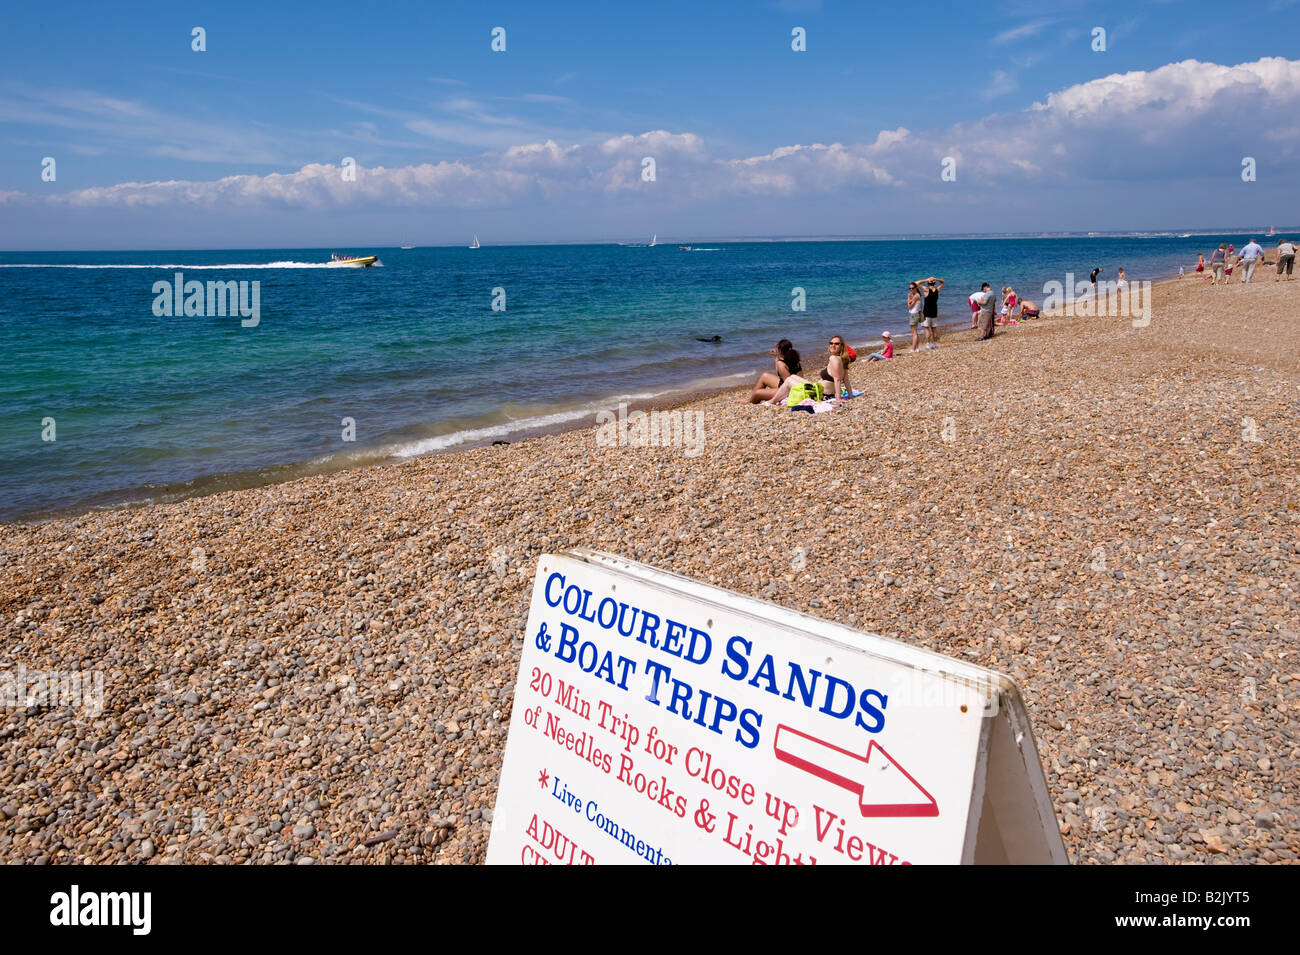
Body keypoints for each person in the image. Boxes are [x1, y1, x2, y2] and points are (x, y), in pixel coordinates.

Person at [742, 338, 801, 403]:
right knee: (764, 376)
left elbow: (787, 384)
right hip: (795, 387)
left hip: (787, 391)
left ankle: (750, 401)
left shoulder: (781, 364)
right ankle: (750, 397)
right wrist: (776, 357)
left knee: (757, 393)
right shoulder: (795, 360)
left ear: (780, 351)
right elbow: (783, 373)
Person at [918, 276, 944, 350]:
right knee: (934, 330)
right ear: (935, 283)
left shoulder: (926, 290)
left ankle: (928, 344)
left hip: (926, 313)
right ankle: (935, 344)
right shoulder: (937, 290)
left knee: (926, 329)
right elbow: (943, 282)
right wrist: (936, 279)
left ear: (928, 283)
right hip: (934, 312)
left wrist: (926, 279)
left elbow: (917, 283)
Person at [906, 282, 925, 352]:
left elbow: (909, 306)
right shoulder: (916, 295)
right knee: (915, 332)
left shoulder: (916, 296)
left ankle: (913, 349)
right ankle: (916, 348)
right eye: (910, 288)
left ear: (916, 288)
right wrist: (910, 299)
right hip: (915, 314)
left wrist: (908, 298)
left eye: (912, 288)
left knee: (914, 333)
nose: (911, 289)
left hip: (914, 315)